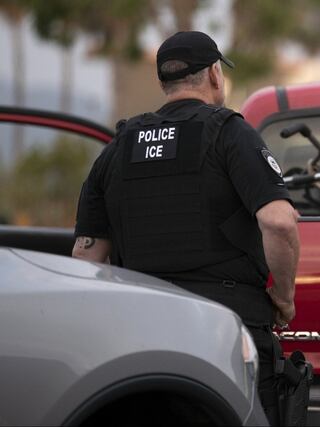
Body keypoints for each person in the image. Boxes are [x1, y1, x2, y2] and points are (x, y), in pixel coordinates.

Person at [71, 31, 300, 425]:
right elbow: (278, 222)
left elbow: (86, 256)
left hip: (140, 332)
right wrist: (284, 297)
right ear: (214, 74)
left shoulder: (119, 146)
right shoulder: (230, 133)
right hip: (225, 327)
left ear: (164, 82)